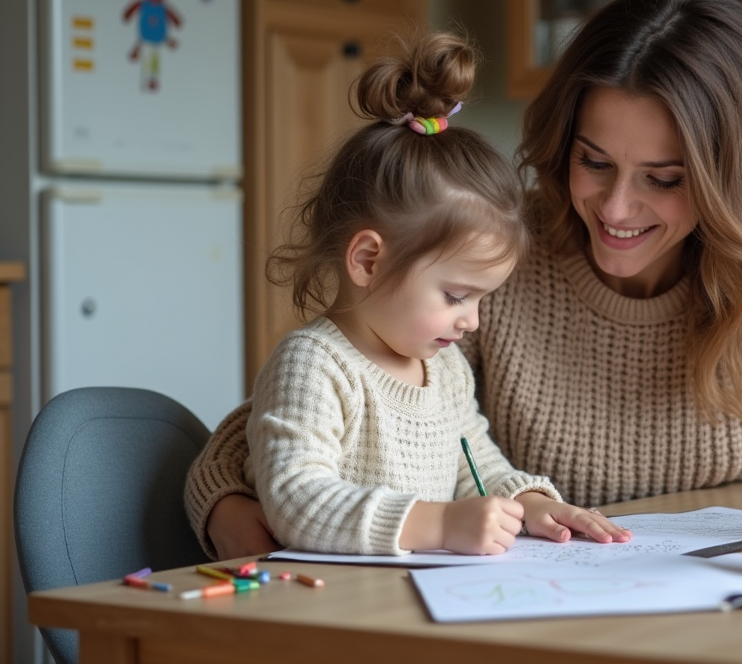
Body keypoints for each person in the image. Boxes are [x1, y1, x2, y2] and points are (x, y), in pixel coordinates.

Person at [186, 0, 742, 560]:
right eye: (594, 161)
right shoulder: (498, 262)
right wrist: (236, 516)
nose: (614, 209)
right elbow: (255, 438)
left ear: (731, 180)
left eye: (667, 180)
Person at [212, 29, 630, 558]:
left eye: (481, 300)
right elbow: (297, 501)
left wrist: (525, 502)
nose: (472, 321)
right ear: (368, 260)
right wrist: (436, 526)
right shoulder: (314, 365)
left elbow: (473, 463)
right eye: (457, 296)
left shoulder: (445, 369)